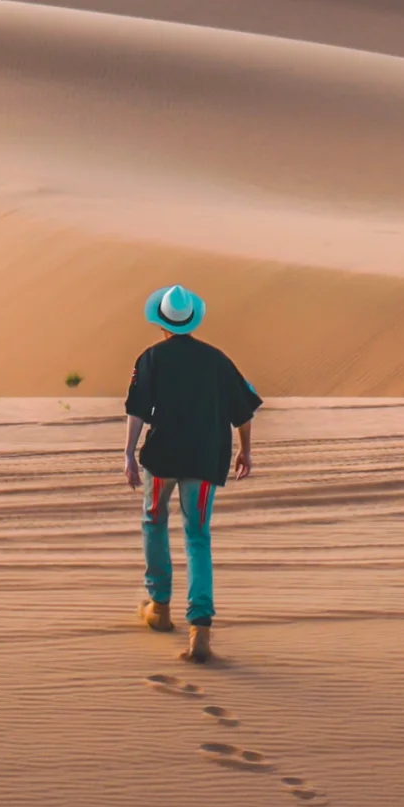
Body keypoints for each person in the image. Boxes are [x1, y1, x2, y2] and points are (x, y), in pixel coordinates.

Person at [124, 284, 261, 663]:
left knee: (154, 520)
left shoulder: (150, 358)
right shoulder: (217, 360)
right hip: (204, 459)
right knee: (197, 536)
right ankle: (200, 628)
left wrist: (128, 454)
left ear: (161, 322)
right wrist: (245, 451)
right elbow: (244, 410)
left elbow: (136, 410)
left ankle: (159, 608)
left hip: (162, 457)